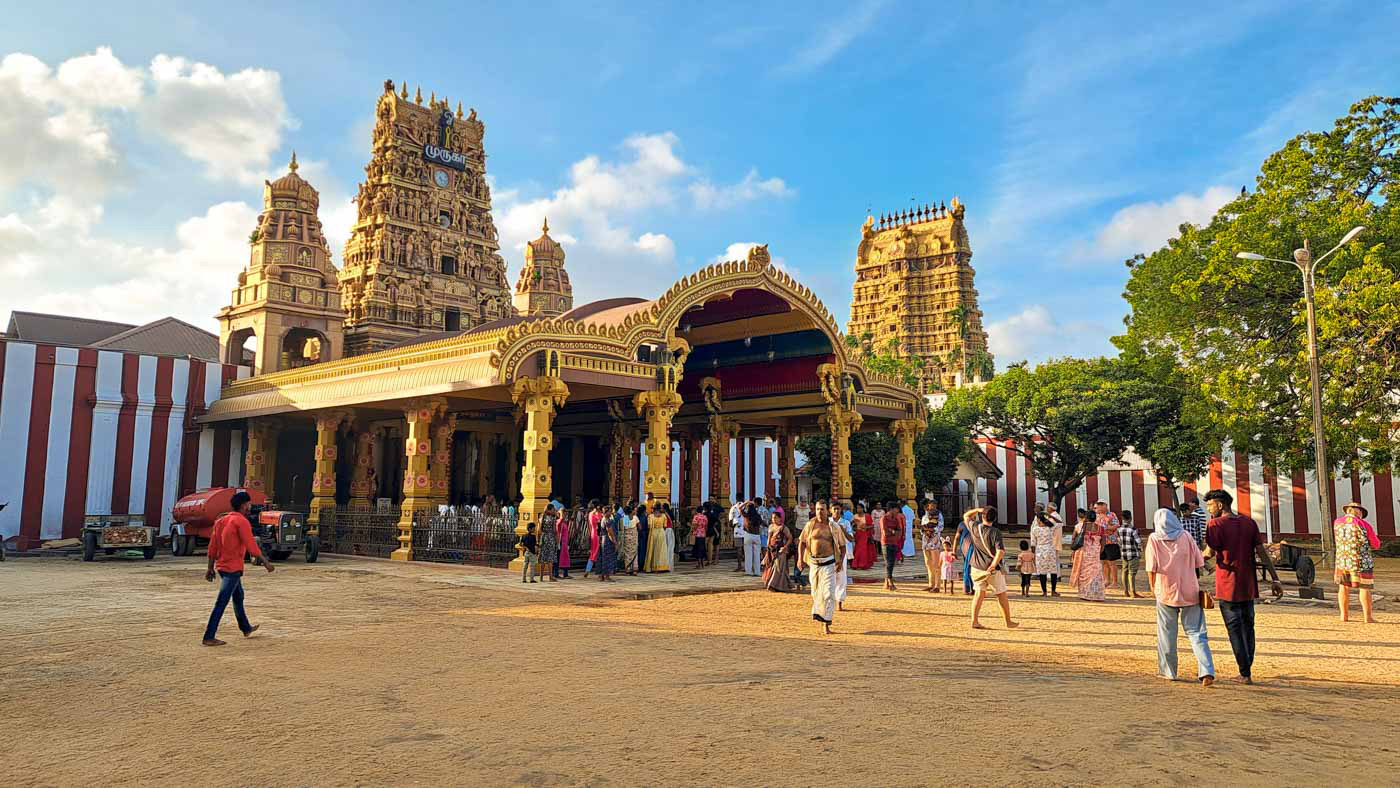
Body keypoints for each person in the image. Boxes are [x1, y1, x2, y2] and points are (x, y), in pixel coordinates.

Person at [1202, 488, 1282, 685]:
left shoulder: (1215, 524)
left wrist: (1195, 558)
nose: (1209, 509)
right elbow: (1261, 551)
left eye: (1210, 505)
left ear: (1220, 505)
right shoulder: (1249, 522)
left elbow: (1209, 552)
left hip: (1227, 584)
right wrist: (1275, 578)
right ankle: (1247, 668)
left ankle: (1244, 672)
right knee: (1248, 627)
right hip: (1248, 584)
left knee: (1234, 628)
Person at [1145, 507, 1215, 686]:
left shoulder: (1154, 539)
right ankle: (1206, 671)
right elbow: (1199, 562)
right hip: (1190, 590)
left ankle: (1169, 672)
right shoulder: (1186, 536)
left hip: (1165, 591)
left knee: (1166, 634)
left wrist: (1153, 589)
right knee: (1197, 633)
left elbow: (1151, 568)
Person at [202, 491, 272, 646]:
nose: (250, 506)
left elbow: (212, 546)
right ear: (243, 505)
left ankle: (246, 627)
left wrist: (210, 568)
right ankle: (209, 636)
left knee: (238, 596)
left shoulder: (221, 521)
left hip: (222, 566)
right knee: (222, 602)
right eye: (249, 504)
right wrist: (265, 562)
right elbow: (251, 545)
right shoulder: (241, 522)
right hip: (232, 568)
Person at [798, 500, 846, 634]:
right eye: (818, 509)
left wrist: (840, 562)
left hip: (829, 563)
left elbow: (842, 546)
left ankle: (826, 623)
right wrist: (800, 559)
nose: (820, 512)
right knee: (815, 593)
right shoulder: (810, 525)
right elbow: (802, 542)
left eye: (822, 509)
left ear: (827, 511)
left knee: (829, 593)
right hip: (814, 563)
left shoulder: (833, 527)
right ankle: (819, 615)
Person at [968, 507, 1017, 630]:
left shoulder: (975, 527)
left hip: (976, 566)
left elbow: (966, 516)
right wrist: (994, 565)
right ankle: (1008, 621)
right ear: (994, 519)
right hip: (992, 568)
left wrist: (977, 510)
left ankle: (974, 621)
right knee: (1001, 594)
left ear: (982, 516)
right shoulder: (995, 532)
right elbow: (1000, 551)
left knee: (979, 593)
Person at [1334, 501, 1378, 624]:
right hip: (1361, 561)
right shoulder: (1363, 524)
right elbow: (1375, 544)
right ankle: (1367, 617)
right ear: (1358, 512)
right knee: (1364, 588)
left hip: (1342, 559)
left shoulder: (1337, 522)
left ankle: (1344, 615)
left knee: (1343, 587)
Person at [1071, 510, 1105, 602]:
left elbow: (1073, 538)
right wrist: (1098, 552)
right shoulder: (1100, 528)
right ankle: (1096, 595)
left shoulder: (1079, 526)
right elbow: (1103, 542)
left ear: (1086, 517)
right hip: (1095, 554)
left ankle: (1084, 594)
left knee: (1083, 573)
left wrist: (1074, 551)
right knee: (1095, 573)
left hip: (1082, 553)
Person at [1030, 510, 1061, 596]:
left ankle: (1044, 592)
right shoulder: (1050, 528)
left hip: (1040, 551)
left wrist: (1033, 554)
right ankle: (1053, 591)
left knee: (1042, 572)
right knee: (1053, 571)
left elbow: (1033, 544)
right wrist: (1050, 516)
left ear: (1039, 520)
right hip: (1050, 550)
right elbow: (1060, 522)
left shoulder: (1035, 530)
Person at [879, 500, 906, 591]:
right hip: (886, 542)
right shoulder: (884, 518)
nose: (898, 511)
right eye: (896, 509)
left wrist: (892, 531)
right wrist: (894, 531)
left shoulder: (896, 518)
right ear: (891, 509)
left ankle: (887, 581)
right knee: (888, 562)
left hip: (894, 542)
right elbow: (885, 532)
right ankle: (890, 581)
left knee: (892, 562)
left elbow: (899, 531)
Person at [764, 510, 793, 592]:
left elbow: (790, 538)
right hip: (772, 549)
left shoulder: (783, 528)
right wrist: (768, 547)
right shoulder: (771, 526)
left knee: (779, 568)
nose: (773, 519)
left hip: (781, 550)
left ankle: (773, 585)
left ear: (780, 518)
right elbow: (769, 538)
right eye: (772, 518)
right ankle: (777, 585)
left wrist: (785, 547)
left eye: (775, 518)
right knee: (772, 566)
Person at [1095, 501, 1121, 591]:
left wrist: (1105, 528)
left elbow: (1116, 526)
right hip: (1102, 541)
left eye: (1099, 506)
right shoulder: (1097, 516)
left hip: (1111, 541)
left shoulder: (1112, 515)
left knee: (1112, 562)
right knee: (1105, 562)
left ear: (1104, 506)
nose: (1097, 509)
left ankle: (1115, 582)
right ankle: (1107, 580)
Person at [1118, 509, 1143, 598]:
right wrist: (1140, 550)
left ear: (1122, 518)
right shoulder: (1133, 529)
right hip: (1133, 553)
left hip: (1124, 553)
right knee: (1132, 573)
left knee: (1124, 572)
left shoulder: (1119, 529)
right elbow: (1138, 541)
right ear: (1131, 518)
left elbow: (1119, 541)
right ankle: (1133, 591)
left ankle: (1126, 591)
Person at [920, 502, 944, 592]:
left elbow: (940, 527)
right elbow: (921, 529)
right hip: (925, 541)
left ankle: (937, 585)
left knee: (936, 564)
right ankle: (931, 584)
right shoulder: (924, 517)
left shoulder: (939, 516)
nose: (932, 507)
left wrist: (931, 530)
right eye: (930, 505)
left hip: (934, 541)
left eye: (934, 505)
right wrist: (925, 531)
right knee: (928, 563)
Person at [643, 501, 673, 572]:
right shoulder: (664, 516)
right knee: (661, 550)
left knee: (653, 549)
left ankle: (652, 567)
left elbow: (649, 526)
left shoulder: (650, 516)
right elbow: (665, 526)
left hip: (653, 533)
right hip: (661, 532)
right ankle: (661, 566)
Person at [953, 509, 977, 595]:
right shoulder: (962, 525)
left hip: (973, 549)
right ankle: (968, 588)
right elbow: (956, 538)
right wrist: (953, 551)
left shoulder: (976, 525)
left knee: (971, 567)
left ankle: (972, 588)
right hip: (967, 549)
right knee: (968, 567)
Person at [742, 499, 765, 577]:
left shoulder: (746, 516)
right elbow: (763, 523)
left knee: (748, 555)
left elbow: (739, 508)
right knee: (757, 555)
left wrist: (746, 502)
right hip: (756, 536)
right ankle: (757, 571)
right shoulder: (758, 516)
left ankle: (748, 571)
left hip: (748, 535)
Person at [595, 508, 618, 582]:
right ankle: (607, 576)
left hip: (603, 540)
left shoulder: (603, 519)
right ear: (606, 512)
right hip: (607, 541)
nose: (611, 513)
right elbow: (610, 533)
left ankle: (602, 575)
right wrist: (615, 542)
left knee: (603, 557)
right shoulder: (607, 521)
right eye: (609, 511)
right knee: (608, 558)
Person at [851, 503, 876, 569]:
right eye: (857, 508)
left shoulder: (867, 516)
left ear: (863, 508)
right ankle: (856, 564)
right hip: (858, 535)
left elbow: (872, 525)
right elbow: (852, 526)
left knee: (863, 549)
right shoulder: (854, 516)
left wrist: (866, 527)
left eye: (860, 508)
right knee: (857, 549)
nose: (858, 509)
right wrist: (854, 527)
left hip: (865, 534)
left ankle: (863, 564)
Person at [537, 508, 559, 582]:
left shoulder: (541, 518)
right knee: (550, 558)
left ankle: (541, 577)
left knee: (543, 558)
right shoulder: (552, 519)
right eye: (553, 510)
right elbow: (554, 531)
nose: (554, 511)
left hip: (543, 538)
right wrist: (557, 540)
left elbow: (538, 530)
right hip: (550, 538)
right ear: (549, 510)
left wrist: (538, 540)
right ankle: (550, 577)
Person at [619, 503, 639, 575]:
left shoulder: (625, 518)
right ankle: (635, 569)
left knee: (627, 553)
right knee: (634, 552)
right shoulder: (635, 517)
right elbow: (640, 527)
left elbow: (623, 529)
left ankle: (628, 569)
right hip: (634, 537)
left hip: (627, 537)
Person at [730, 498, 746, 572]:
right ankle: (747, 566)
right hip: (746, 530)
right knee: (746, 549)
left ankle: (739, 565)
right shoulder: (746, 506)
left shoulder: (733, 508)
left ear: (736, 499)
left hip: (737, 530)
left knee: (739, 548)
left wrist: (732, 527)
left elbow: (730, 520)